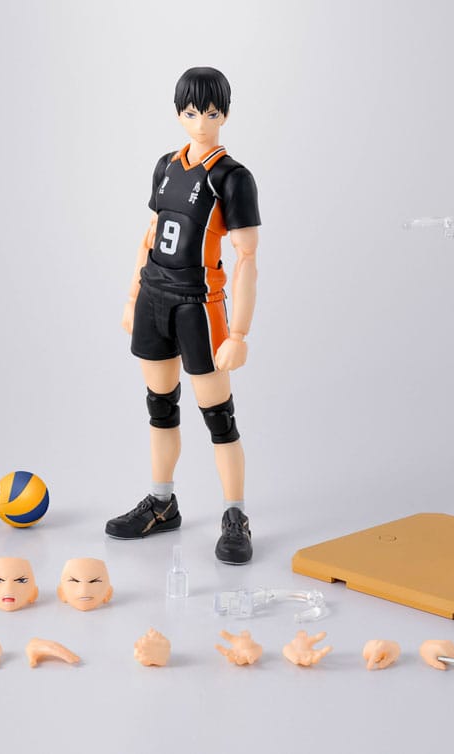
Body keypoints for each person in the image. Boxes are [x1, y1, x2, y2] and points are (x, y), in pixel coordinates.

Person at [105, 67, 260, 564]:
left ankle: (235, 515)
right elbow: (150, 234)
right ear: (178, 114)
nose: (201, 123)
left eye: (211, 113)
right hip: (155, 296)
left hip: (199, 305)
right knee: (160, 406)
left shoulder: (231, 177)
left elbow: (247, 257)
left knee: (219, 417)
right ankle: (161, 503)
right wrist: (132, 296)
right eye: (192, 113)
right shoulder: (166, 166)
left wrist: (239, 332)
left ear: (225, 115)